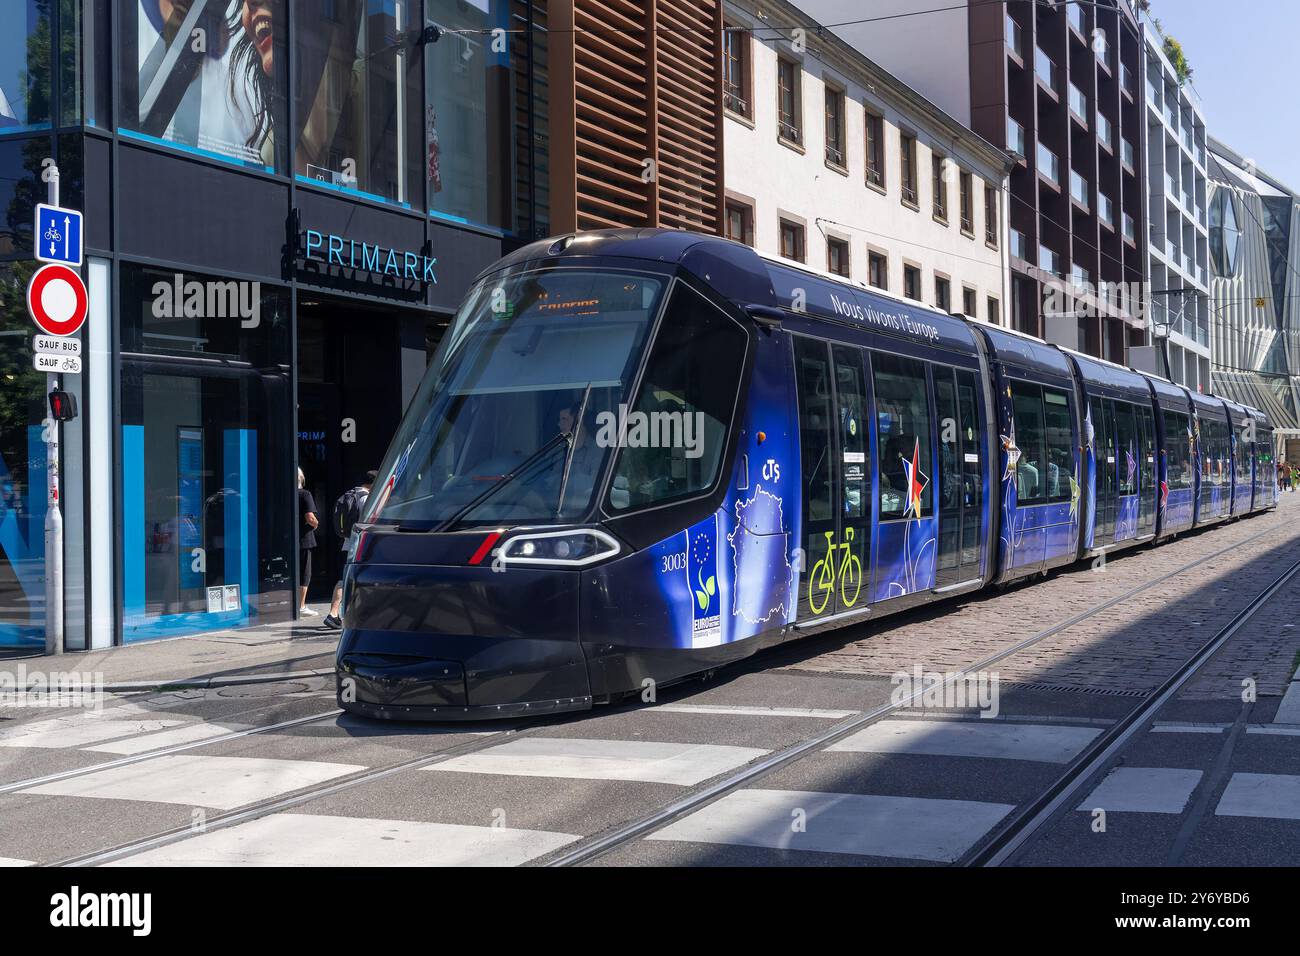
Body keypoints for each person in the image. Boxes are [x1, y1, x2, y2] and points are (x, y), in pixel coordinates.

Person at [323, 470, 376, 630]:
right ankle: (334, 614)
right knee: (363, 580)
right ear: (373, 483)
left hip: (347, 544)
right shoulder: (366, 498)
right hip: (362, 545)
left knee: (345, 580)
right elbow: (369, 522)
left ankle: (335, 614)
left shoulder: (350, 494)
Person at [297, 467, 319, 616]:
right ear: (301, 478)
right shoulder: (305, 494)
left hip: (286, 539)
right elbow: (310, 518)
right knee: (305, 572)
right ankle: (301, 605)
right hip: (303, 539)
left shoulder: (281, 493)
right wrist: (316, 524)